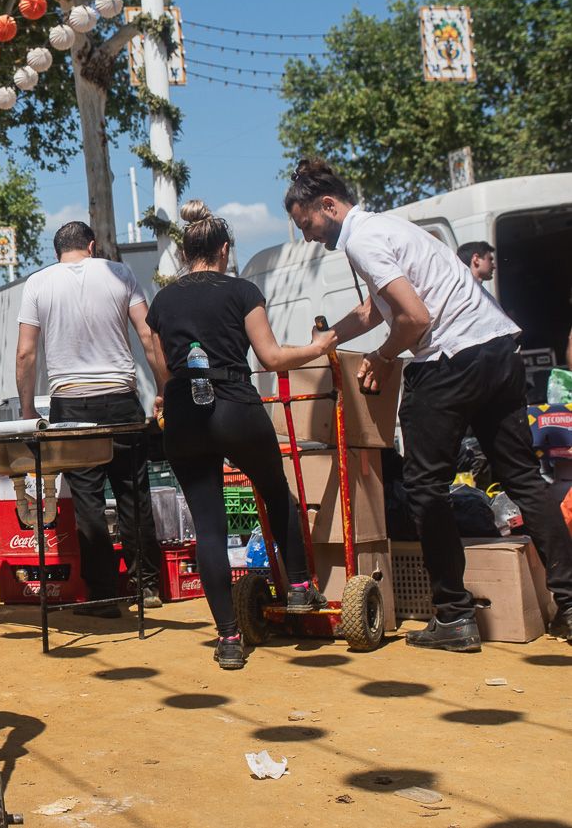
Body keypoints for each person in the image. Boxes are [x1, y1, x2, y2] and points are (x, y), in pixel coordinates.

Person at [285, 158, 572, 649]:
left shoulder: (361, 239)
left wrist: (380, 354)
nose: (308, 237)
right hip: (497, 347)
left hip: (450, 360)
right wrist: (324, 342)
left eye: (307, 224)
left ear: (328, 206)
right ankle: (569, 605)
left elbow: (414, 319)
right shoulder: (387, 228)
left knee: (423, 487)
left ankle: (454, 616)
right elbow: (374, 309)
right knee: (524, 477)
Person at [145, 201, 334, 669]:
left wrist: (169, 392)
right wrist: (317, 346)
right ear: (224, 249)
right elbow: (269, 358)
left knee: (209, 528)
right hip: (233, 403)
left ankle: (229, 638)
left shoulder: (162, 302)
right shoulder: (241, 290)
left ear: (188, 253)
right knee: (275, 493)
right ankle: (298, 588)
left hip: (185, 413)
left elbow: (160, 363)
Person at [15, 220, 163, 616]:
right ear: (92, 246)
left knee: (88, 501)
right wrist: (163, 387)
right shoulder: (121, 273)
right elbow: (149, 335)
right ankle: (146, 585)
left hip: (71, 405)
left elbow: (26, 354)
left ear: (57, 251)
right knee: (133, 493)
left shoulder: (38, 284)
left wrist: (28, 408)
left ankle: (102, 595)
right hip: (120, 399)